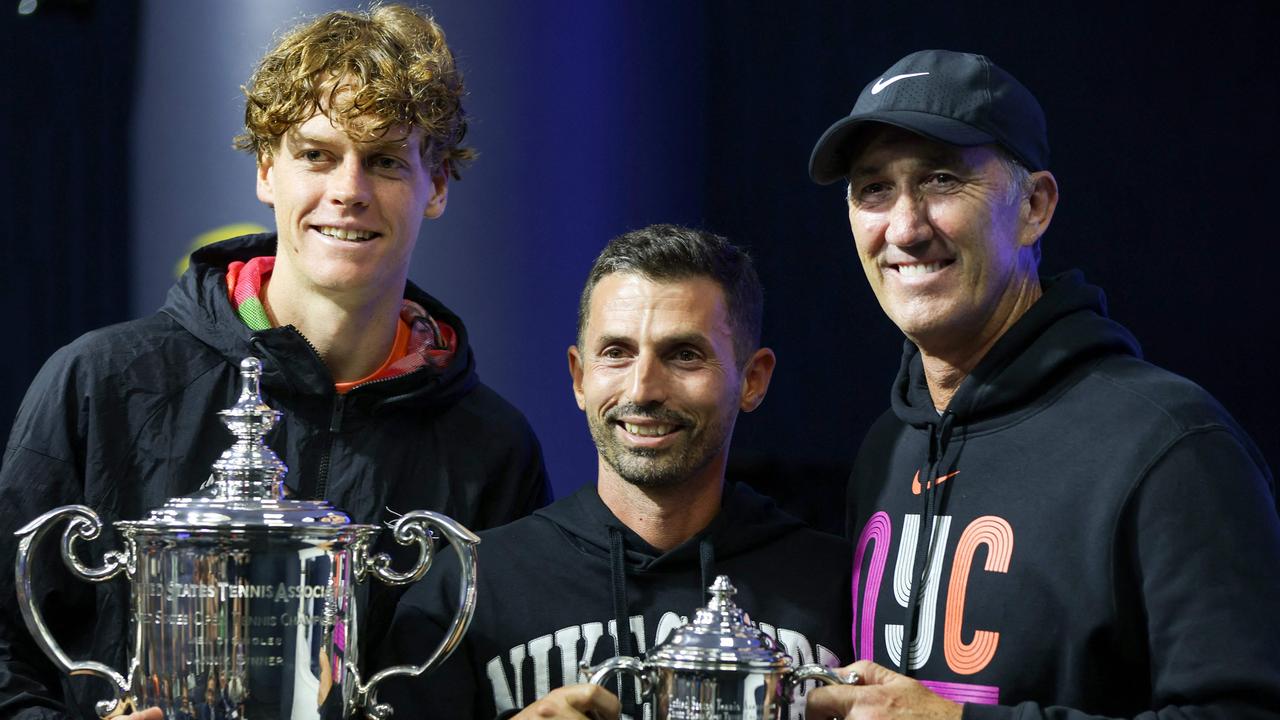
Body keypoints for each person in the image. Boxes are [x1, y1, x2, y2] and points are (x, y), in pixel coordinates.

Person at [0, 6, 549, 719]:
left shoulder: (493, 449)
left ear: (436, 186)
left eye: (384, 159)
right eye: (317, 154)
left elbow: (506, 682)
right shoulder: (101, 382)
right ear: (267, 169)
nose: (348, 190)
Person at [802, 49, 1280, 719]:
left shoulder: (1170, 444)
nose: (904, 228)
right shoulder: (888, 447)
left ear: (1034, 205)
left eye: (941, 180)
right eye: (873, 188)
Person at [377, 224, 852, 719]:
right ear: (580, 377)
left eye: (684, 355)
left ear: (752, 380)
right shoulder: (467, 590)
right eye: (616, 353)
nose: (643, 388)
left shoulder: (839, 586)